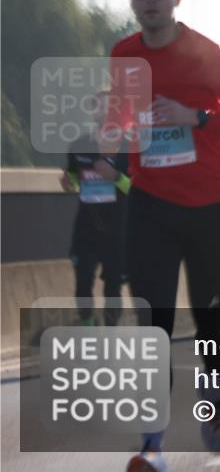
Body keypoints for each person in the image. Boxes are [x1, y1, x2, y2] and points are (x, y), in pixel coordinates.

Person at [99, 0, 220, 471]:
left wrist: (195, 117)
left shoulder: (203, 52)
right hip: (150, 203)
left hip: (209, 205)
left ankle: (214, 397)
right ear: (132, 0)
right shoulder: (123, 53)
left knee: (209, 315)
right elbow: (122, 115)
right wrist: (115, 130)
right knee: (152, 323)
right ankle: (153, 444)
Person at [60, 90, 131, 327]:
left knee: (112, 287)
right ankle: (89, 328)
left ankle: (110, 334)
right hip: (86, 224)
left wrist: (116, 176)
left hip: (117, 227)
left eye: (109, 107)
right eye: (98, 107)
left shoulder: (129, 146)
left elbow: (140, 190)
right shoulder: (79, 144)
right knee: (82, 280)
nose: (103, 111)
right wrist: (69, 182)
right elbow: (75, 176)